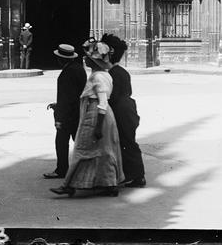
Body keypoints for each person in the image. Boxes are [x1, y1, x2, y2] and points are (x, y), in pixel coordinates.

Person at [50, 39, 124, 197]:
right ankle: (107, 184)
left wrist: (98, 126)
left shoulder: (98, 77)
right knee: (102, 151)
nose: (84, 59)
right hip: (95, 113)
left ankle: (70, 185)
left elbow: (102, 102)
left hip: (96, 114)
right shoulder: (101, 74)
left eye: (87, 57)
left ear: (94, 60)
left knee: (82, 149)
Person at [102, 34, 146, 188]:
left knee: (127, 143)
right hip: (128, 109)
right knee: (127, 143)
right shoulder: (121, 72)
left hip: (121, 112)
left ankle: (137, 176)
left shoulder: (113, 74)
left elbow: (113, 96)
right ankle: (133, 175)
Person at [44, 44, 87, 180]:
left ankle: (62, 169)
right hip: (78, 112)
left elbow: (68, 97)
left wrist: (59, 116)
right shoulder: (79, 69)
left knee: (61, 142)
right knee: (79, 142)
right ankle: (83, 169)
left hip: (68, 115)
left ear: (61, 59)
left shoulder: (67, 73)